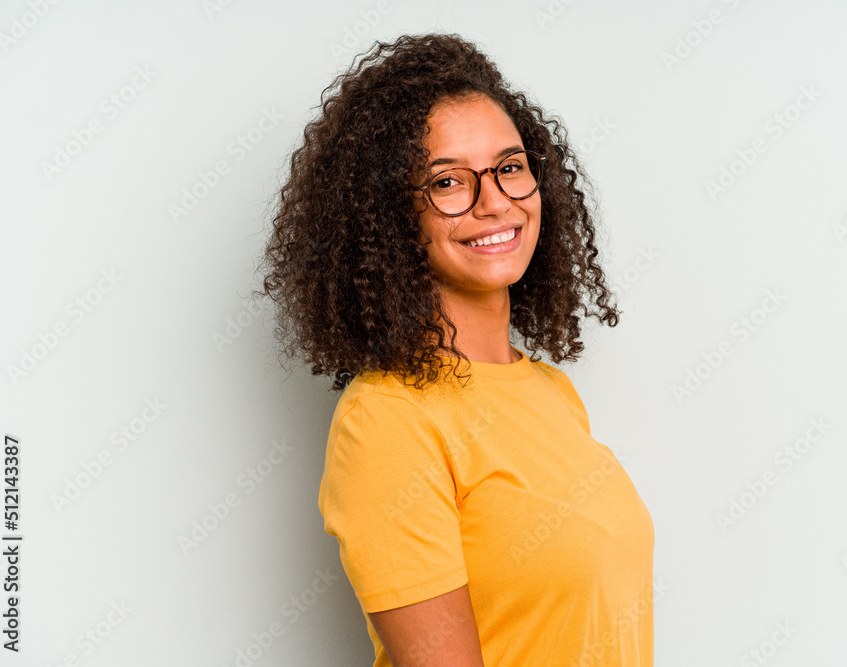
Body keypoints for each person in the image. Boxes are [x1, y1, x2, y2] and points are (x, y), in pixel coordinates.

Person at [257, 32, 654, 667]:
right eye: (447, 182)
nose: (495, 202)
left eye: (510, 167)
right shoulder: (388, 420)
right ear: (389, 216)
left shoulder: (553, 394)